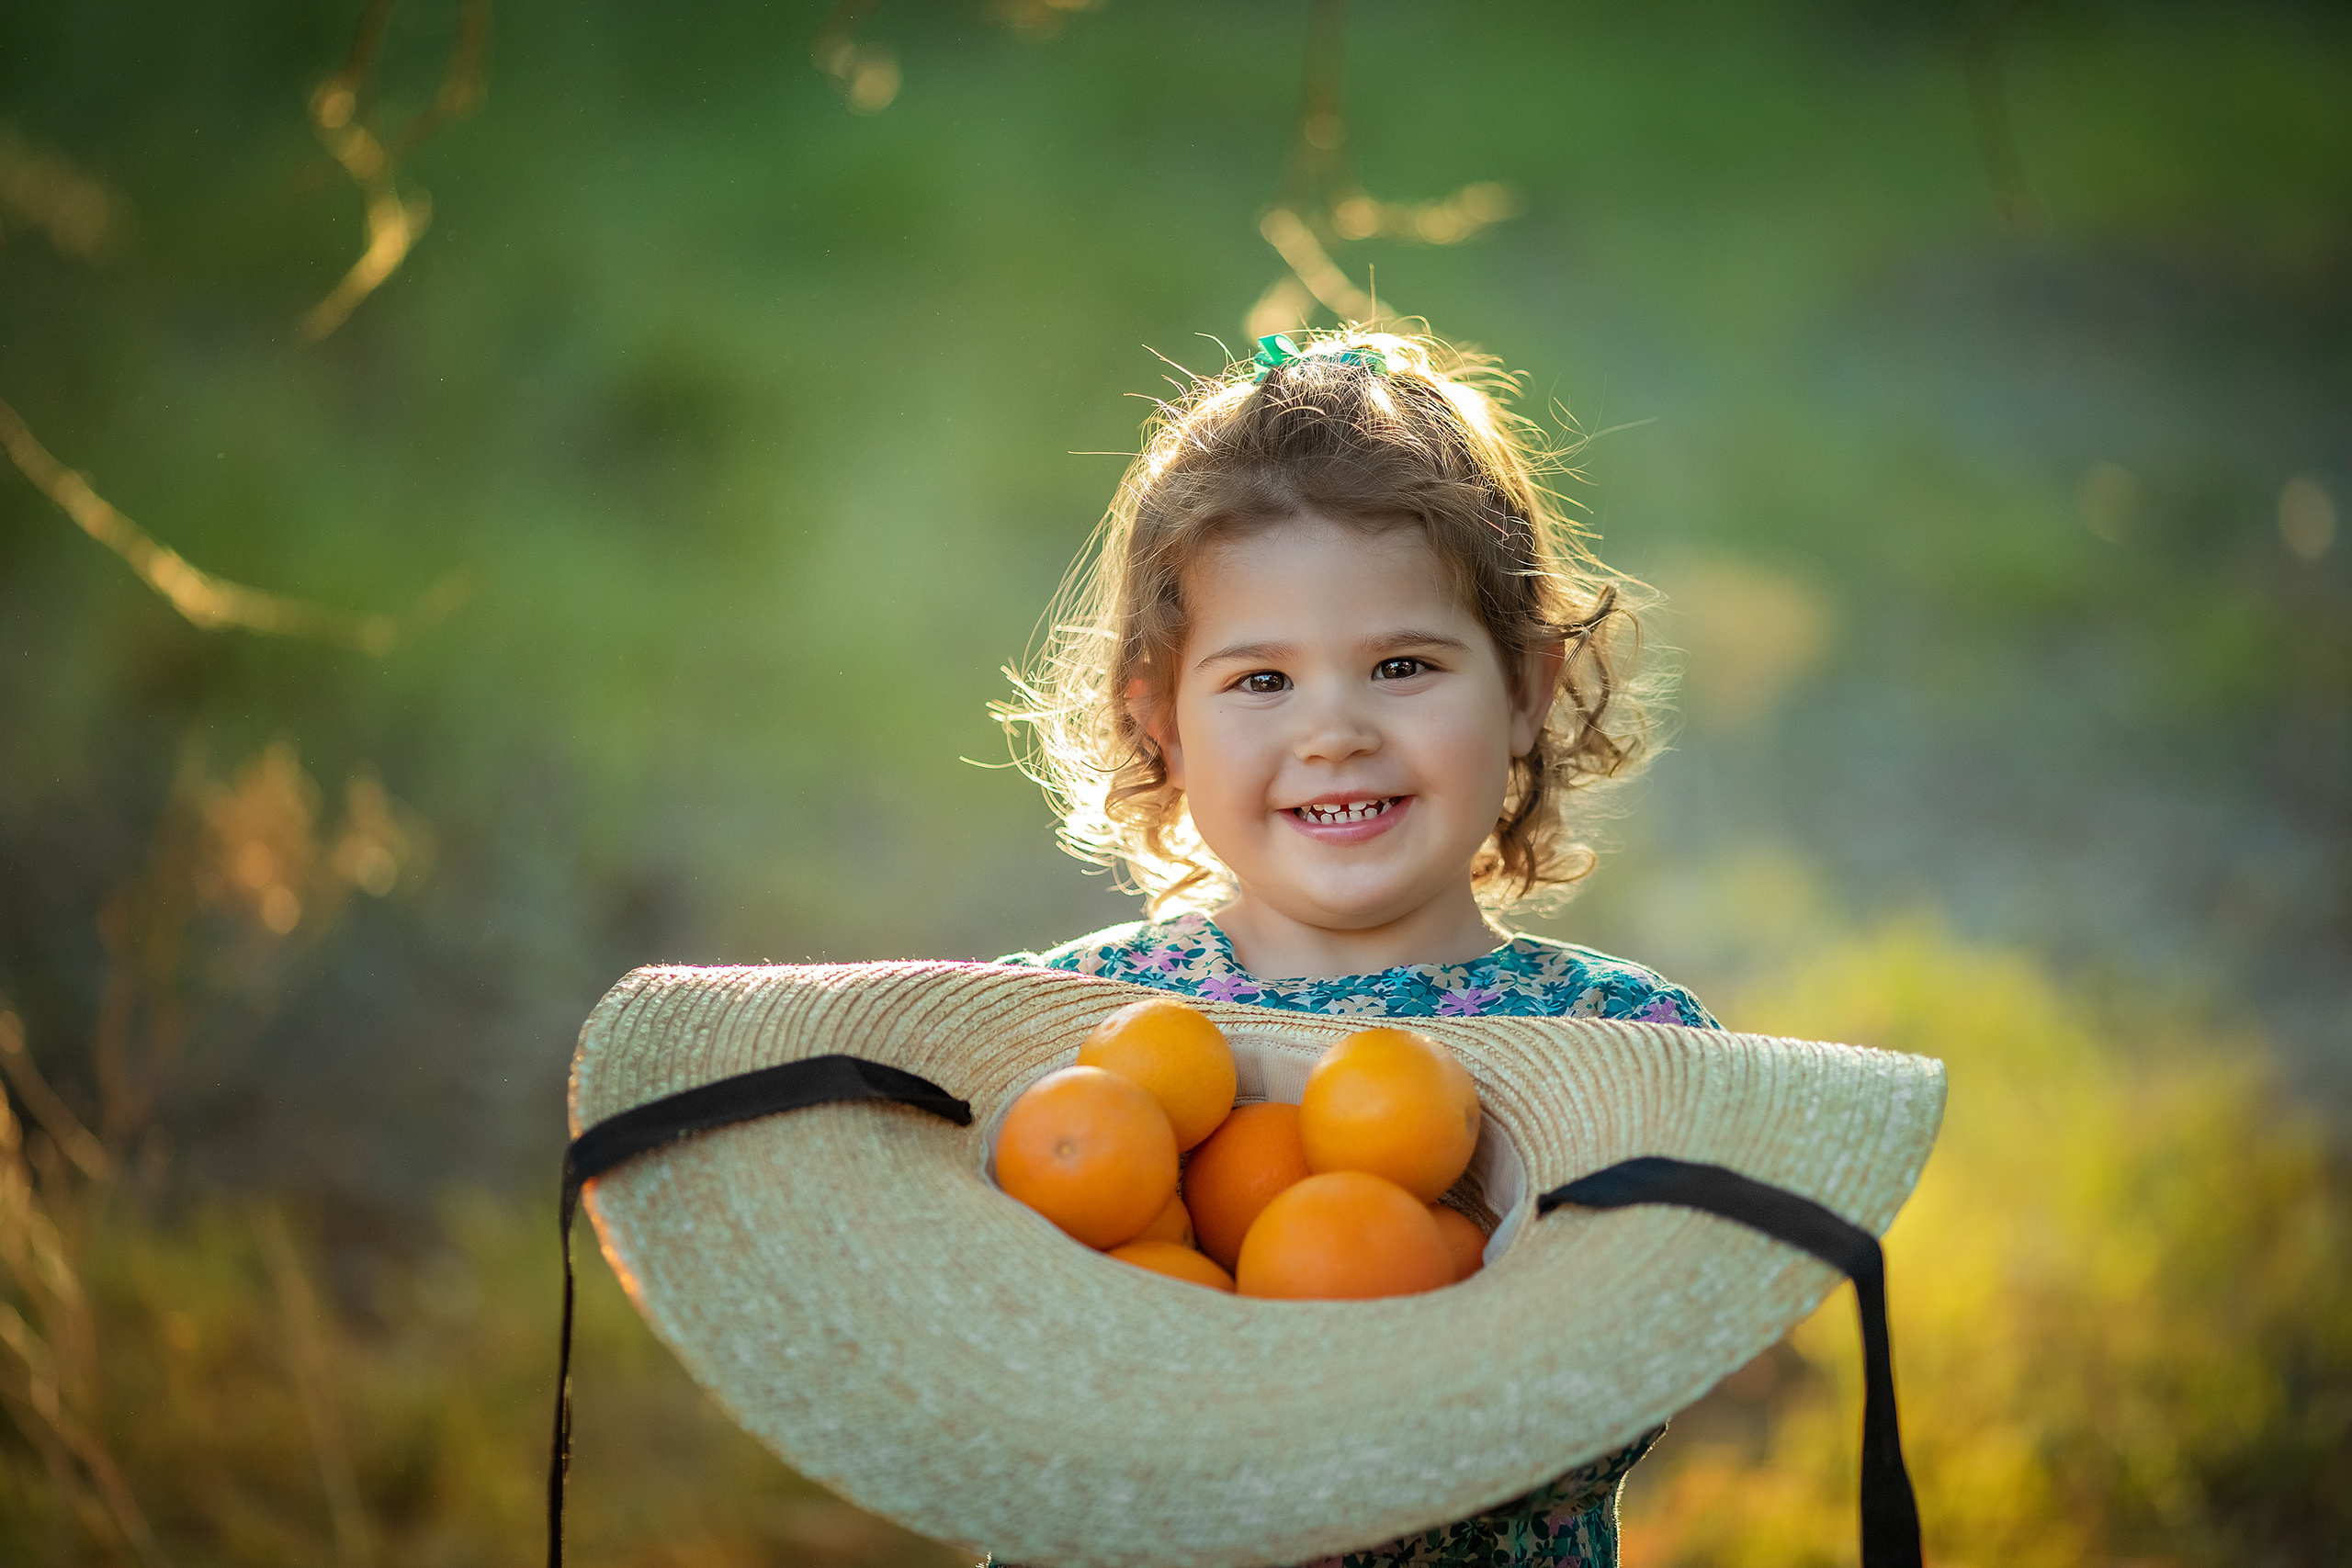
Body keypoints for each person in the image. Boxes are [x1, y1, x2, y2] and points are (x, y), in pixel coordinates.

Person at [992, 326, 1717, 1567]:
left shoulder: (1626, 1047)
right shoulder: (1068, 1030)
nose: (1333, 733)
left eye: (1401, 664)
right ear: (1160, 720)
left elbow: (1630, 1380)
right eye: (1261, 682)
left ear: (1528, 687)